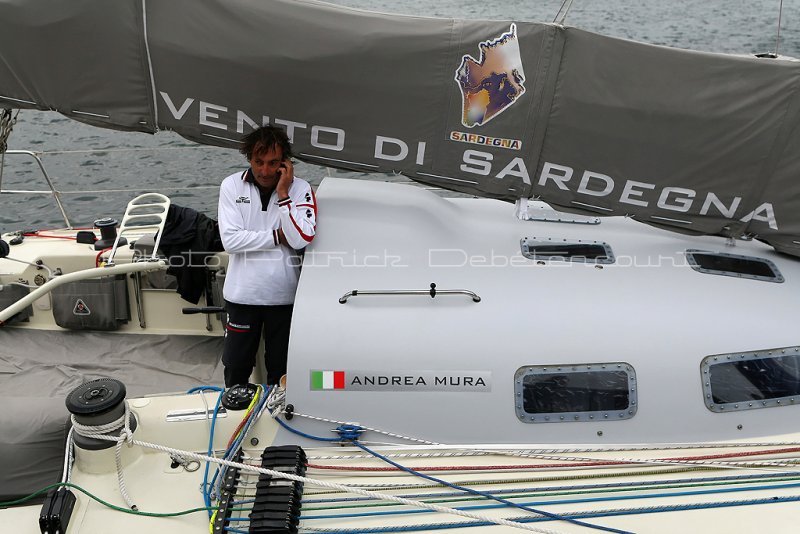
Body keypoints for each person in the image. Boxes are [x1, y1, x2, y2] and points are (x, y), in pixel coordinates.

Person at [217, 125, 317, 386]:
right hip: (242, 296)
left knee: (282, 373)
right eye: (258, 162)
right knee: (236, 369)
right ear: (249, 158)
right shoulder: (231, 186)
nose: (264, 171)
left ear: (285, 163)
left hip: (284, 298)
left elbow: (301, 238)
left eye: (273, 163)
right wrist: (276, 236)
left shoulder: (300, 189)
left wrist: (284, 195)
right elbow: (231, 241)